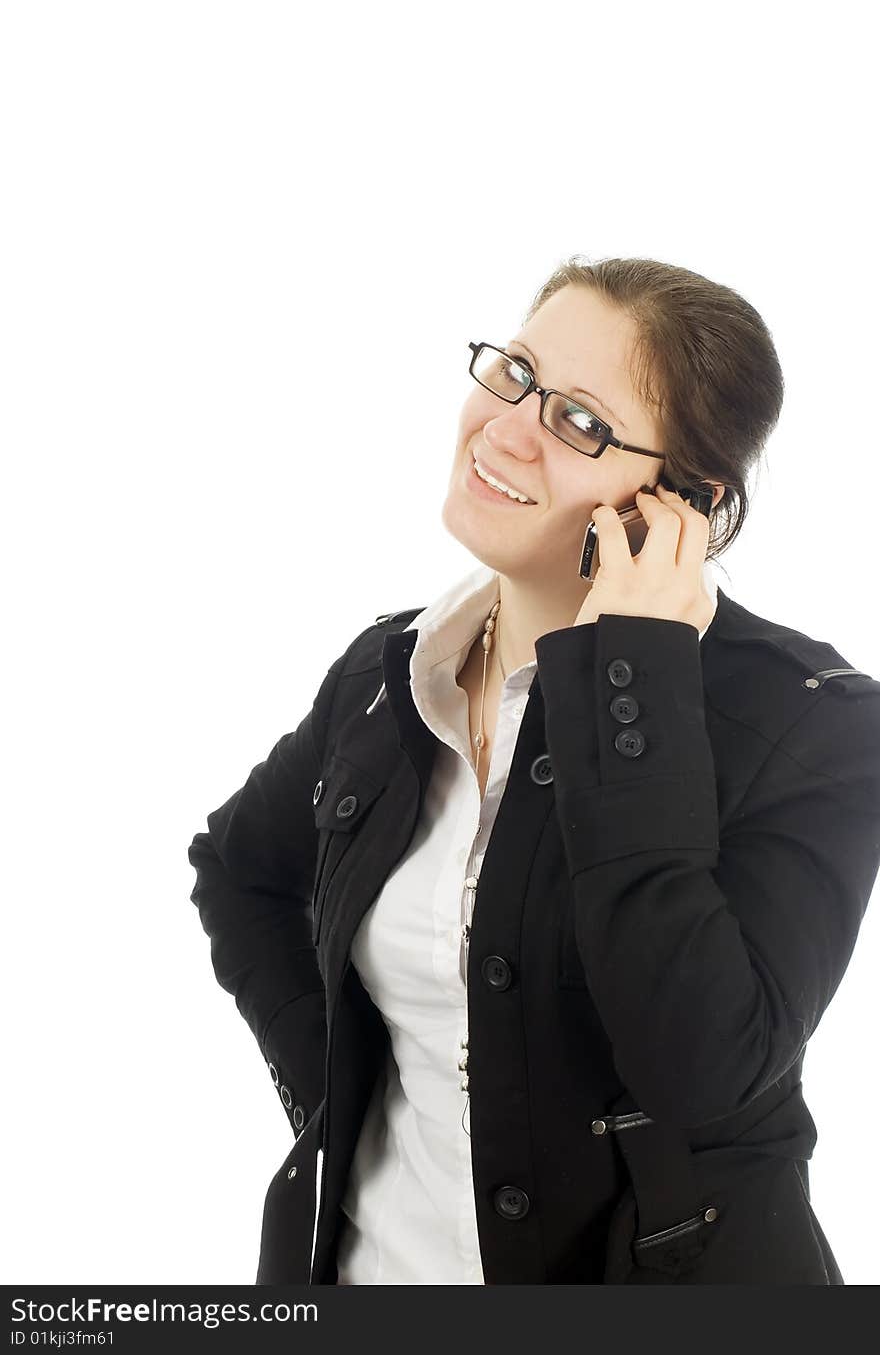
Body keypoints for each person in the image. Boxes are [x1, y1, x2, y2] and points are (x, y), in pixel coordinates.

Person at [187, 256, 880, 1285]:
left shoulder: (813, 727)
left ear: (680, 501)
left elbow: (706, 1073)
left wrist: (630, 681)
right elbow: (236, 871)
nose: (507, 426)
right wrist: (337, 1094)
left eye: (582, 423)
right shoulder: (391, 673)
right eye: (515, 373)